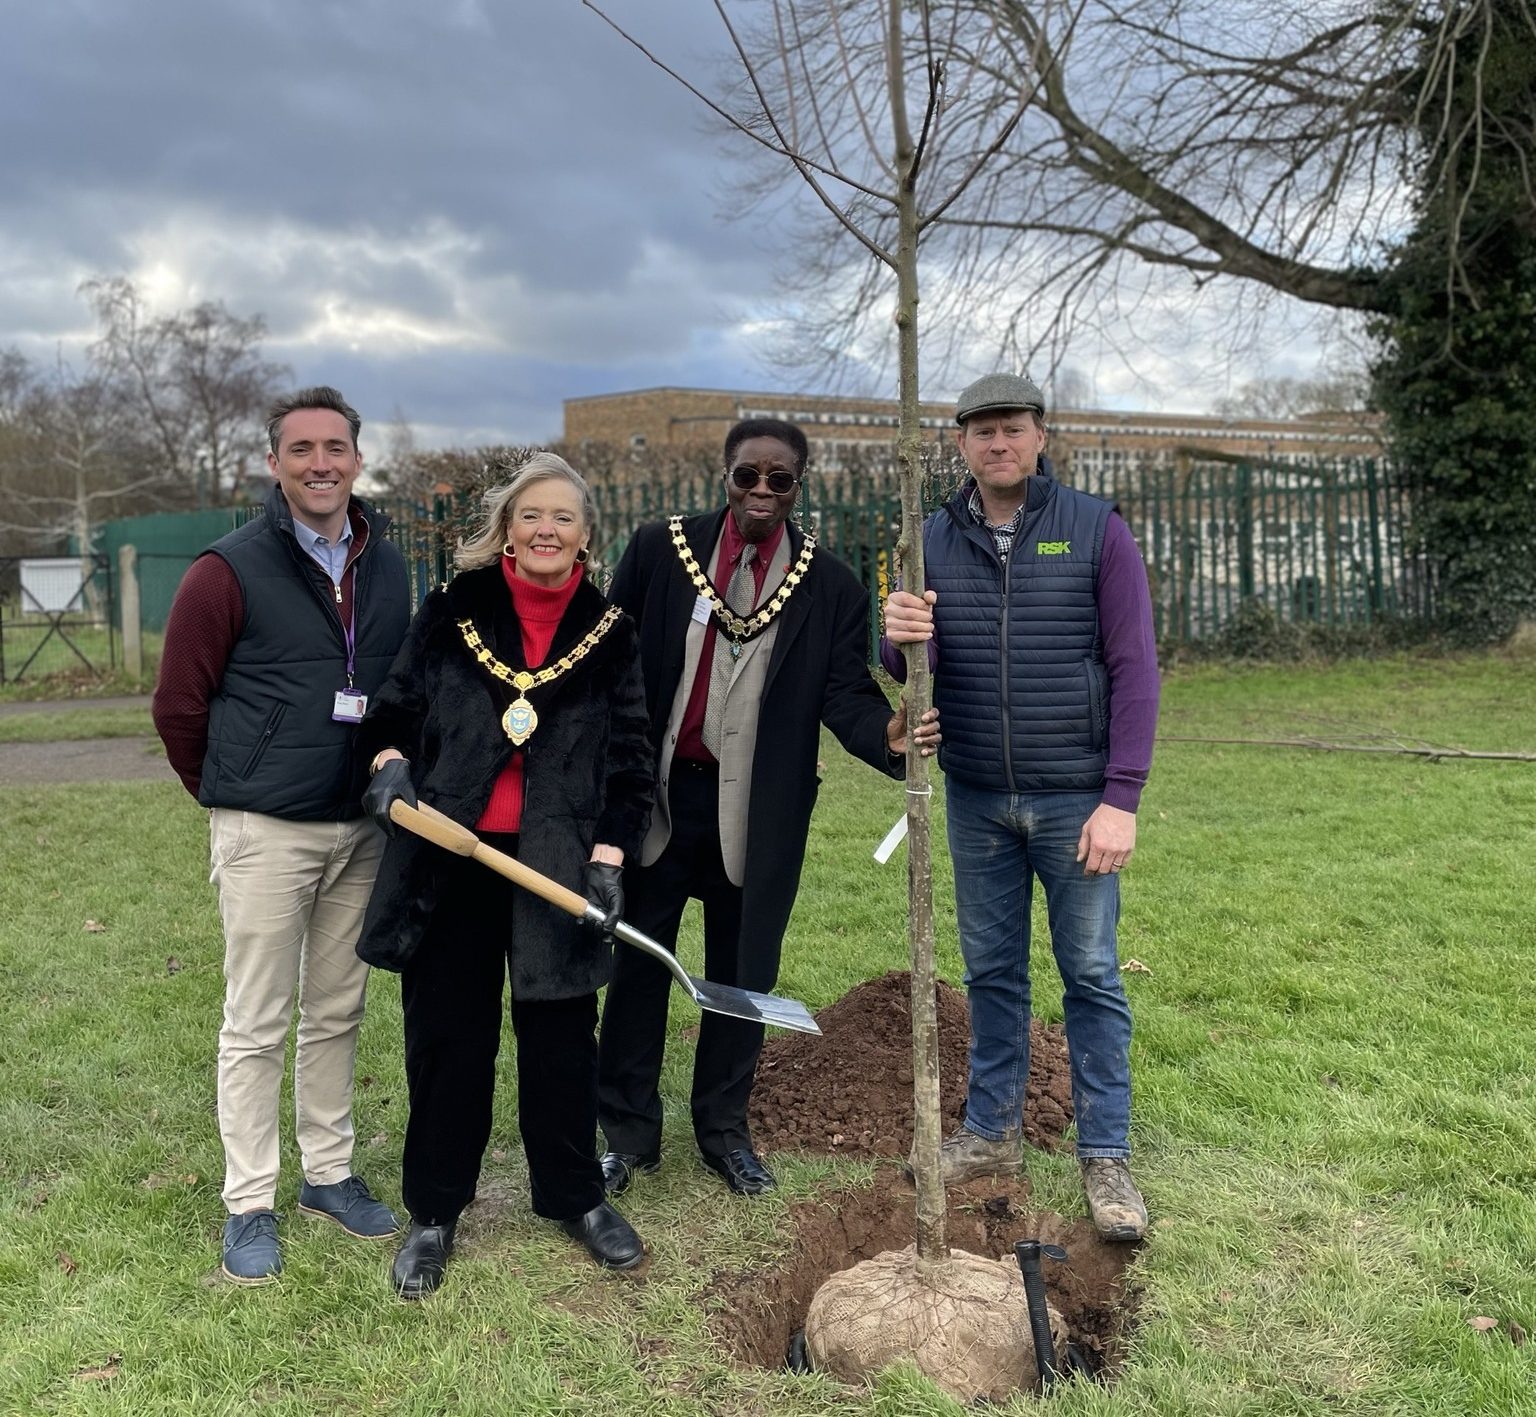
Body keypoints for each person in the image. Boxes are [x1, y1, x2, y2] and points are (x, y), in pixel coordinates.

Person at [596, 417, 940, 1199]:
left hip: (759, 810)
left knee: (743, 974)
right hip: (654, 800)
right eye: (747, 475)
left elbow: (845, 692)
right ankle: (625, 1134)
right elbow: (614, 658)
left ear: (798, 485)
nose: (761, 491)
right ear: (725, 477)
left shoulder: (830, 584)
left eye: (778, 479)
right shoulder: (660, 551)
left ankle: (722, 1131)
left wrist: (887, 733)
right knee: (641, 966)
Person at [355, 453, 654, 1298]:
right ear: (507, 529)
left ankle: (574, 1196)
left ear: (586, 534)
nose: (546, 530)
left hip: (554, 867)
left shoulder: (612, 633)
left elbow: (632, 765)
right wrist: (385, 761)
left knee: (562, 1042)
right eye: (530, 516)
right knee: (448, 1040)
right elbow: (393, 711)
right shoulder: (453, 612)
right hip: (452, 858)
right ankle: (435, 1211)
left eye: (562, 516)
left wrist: (607, 858)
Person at [882, 373, 1160, 1242]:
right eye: (981, 432)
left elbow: (1136, 669)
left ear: (1040, 437)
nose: (997, 443)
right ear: (959, 444)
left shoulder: (1093, 528)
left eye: (1012, 429)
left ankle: (1105, 1151)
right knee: (992, 972)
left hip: (1075, 794)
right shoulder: (929, 536)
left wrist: (1121, 799)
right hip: (976, 796)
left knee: (1091, 973)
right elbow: (905, 672)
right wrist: (896, 636)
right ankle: (993, 1132)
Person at [152, 386, 411, 1284]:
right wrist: (231, 795)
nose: (320, 464)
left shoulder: (388, 566)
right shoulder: (225, 571)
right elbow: (178, 705)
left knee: (338, 1008)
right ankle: (249, 1200)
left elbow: (397, 690)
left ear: (357, 458)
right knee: (257, 1019)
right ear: (273, 463)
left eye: (335, 447)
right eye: (300, 449)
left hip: (359, 829)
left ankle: (329, 1175)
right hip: (265, 828)